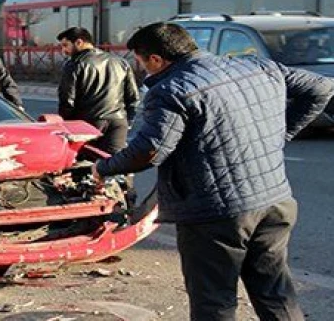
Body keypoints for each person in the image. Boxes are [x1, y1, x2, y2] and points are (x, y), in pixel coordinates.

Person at [92, 22, 334, 320]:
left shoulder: (170, 90)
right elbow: (322, 87)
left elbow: (150, 150)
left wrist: (104, 168)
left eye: (141, 62)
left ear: (156, 59)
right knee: (275, 293)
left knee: (214, 302)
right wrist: (280, 133)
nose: (142, 70)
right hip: (274, 201)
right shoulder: (258, 67)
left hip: (214, 215)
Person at [56, 27, 139, 155]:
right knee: (114, 165)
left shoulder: (75, 64)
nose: (63, 51)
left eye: (65, 45)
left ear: (79, 42)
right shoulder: (121, 62)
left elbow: (67, 99)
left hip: (88, 123)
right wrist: (128, 122)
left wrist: (67, 125)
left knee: (86, 165)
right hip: (118, 121)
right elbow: (133, 96)